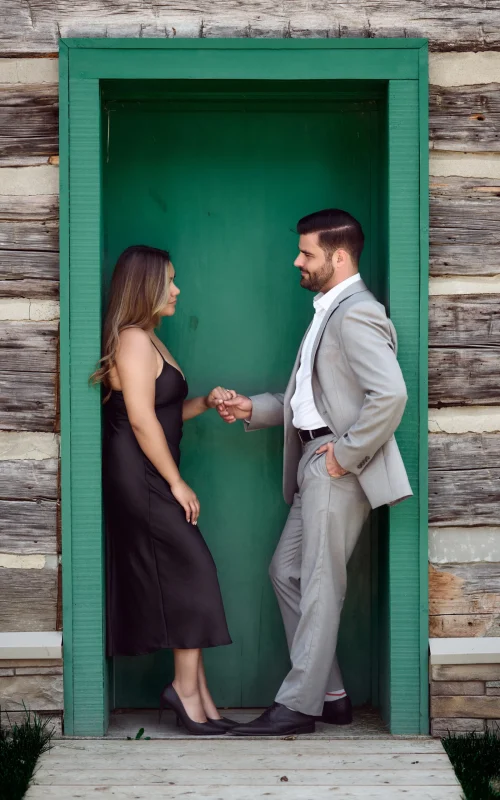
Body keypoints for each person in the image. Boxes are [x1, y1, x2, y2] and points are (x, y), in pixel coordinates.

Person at [217, 209, 412, 736]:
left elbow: (390, 395)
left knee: (322, 582)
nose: (297, 260)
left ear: (339, 256)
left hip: (335, 466)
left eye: (307, 252)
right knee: (287, 572)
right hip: (313, 460)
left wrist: (345, 457)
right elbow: (313, 402)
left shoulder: (356, 312)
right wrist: (251, 409)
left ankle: (298, 706)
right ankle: (332, 694)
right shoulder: (327, 310)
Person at [91, 244, 236, 736]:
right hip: (143, 478)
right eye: (169, 281)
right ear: (145, 286)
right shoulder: (132, 339)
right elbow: (139, 417)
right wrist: (176, 481)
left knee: (187, 577)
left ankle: (198, 695)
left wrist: (206, 401)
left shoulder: (150, 338)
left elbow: (166, 410)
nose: (176, 289)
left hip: (151, 472)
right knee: (193, 572)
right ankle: (184, 692)